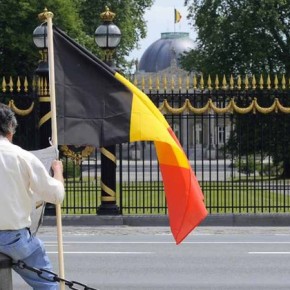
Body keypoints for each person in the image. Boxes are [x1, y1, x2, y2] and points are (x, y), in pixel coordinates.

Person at [0, 103, 65, 290]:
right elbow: (56, 195)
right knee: (47, 285)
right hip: (14, 240)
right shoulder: (22, 157)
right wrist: (57, 171)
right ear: (10, 130)